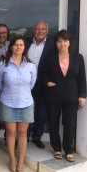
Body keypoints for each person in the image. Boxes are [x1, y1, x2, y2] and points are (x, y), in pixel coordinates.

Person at [42, 29, 87, 162]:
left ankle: (68, 149)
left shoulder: (78, 58)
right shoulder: (50, 57)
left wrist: (82, 95)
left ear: (70, 42)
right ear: (56, 43)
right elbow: (42, 74)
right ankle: (56, 148)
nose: (62, 44)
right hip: (53, 96)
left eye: (65, 41)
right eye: (59, 41)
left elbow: (82, 78)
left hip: (71, 97)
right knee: (54, 123)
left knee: (69, 123)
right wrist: (46, 82)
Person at [0, 36, 37, 172]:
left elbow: (31, 84)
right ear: (11, 47)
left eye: (21, 45)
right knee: (11, 132)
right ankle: (12, 159)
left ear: (24, 48)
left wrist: (21, 94)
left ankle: (21, 160)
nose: (19, 47)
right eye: (16, 44)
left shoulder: (31, 66)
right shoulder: (3, 65)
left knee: (23, 133)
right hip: (8, 102)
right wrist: (9, 94)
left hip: (26, 103)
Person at [27, 21, 53, 149]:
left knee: (41, 111)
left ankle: (37, 137)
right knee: (26, 110)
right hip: (27, 83)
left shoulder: (52, 45)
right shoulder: (27, 43)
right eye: (37, 29)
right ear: (33, 30)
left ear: (47, 31)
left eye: (43, 29)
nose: (40, 31)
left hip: (43, 83)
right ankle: (24, 136)